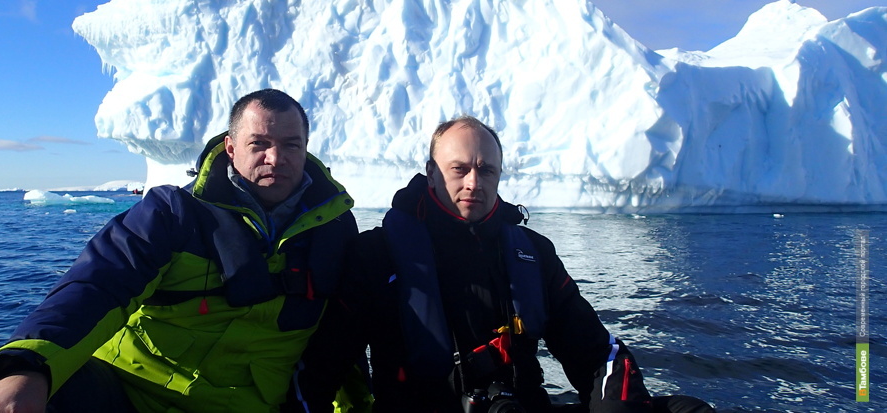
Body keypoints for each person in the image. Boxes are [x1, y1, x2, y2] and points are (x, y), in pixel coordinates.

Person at [286, 116, 713, 413]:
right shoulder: (377, 256)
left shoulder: (532, 251)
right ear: (430, 173)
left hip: (522, 407)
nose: (474, 182)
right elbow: (323, 366)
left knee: (685, 408)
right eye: (459, 169)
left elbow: (595, 351)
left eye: (486, 170)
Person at [0, 89, 357, 413]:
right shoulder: (173, 215)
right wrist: (28, 368)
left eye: (292, 145)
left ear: (306, 149)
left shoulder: (334, 229)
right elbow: (98, 285)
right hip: (129, 391)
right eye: (259, 144)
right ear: (231, 147)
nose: (276, 158)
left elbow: (343, 337)